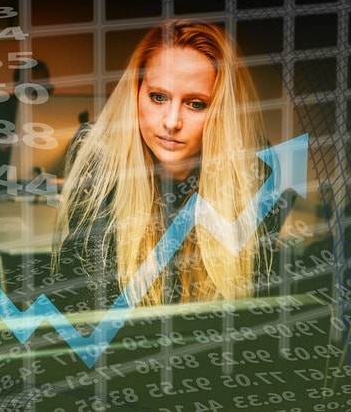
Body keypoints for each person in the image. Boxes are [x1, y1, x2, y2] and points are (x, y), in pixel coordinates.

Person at [53, 19, 281, 310]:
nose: (171, 122)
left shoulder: (256, 171)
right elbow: (80, 296)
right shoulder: (98, 155)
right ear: (136, 92)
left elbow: (252, 302)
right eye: (158, 97)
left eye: (196, 103)